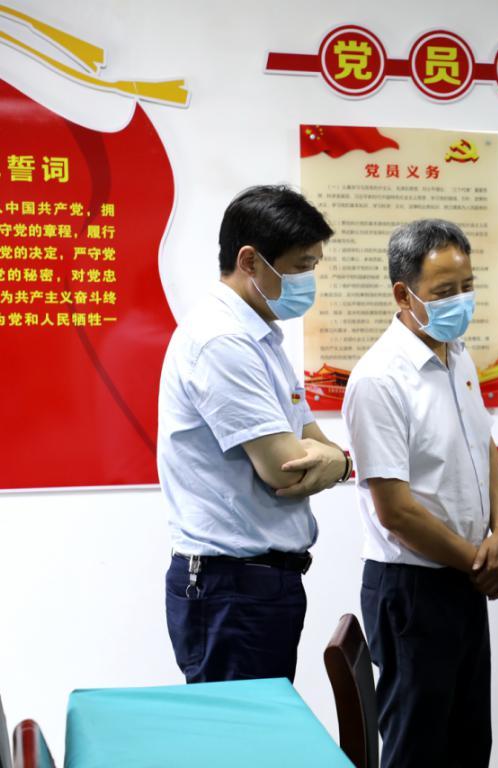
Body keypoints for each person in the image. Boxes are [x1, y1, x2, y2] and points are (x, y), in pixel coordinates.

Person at [158, 185, 351, 683]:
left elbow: (317, 443)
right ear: (250, 260)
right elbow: (286, 470)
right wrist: (342, 464)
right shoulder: (223, 341)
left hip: (256, 584)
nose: (309, 280)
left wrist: (334, 460)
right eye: (301, 266)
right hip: (231, 587)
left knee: (261, 722)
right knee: (237, 728)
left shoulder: (260, 338)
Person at [343, 219, 498, 768]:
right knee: (418, 748)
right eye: (444, 291)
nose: (461, 300)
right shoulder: (380, 378)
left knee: (469, 743)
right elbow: (395, 511)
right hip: (413, 588)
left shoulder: (456, 353)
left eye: (467, 285)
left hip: (465, 576)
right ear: (403, 294)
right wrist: (479, 562)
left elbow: (484, 447)